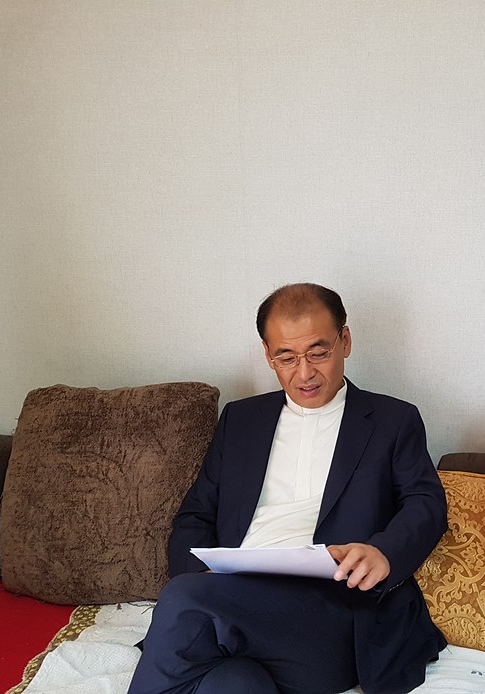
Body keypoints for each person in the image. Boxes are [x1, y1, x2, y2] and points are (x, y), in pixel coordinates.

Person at [129, 283, 448, 694]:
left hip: (333, 611)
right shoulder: (241, 420)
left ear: (345, 341)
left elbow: (426, 503)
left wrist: (383, 552)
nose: (304, 373)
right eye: (287, 357)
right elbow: (196, 515)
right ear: (268, 355)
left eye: (318, 353)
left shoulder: (393, 420)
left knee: (182, 599)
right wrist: (204, 582)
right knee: (234, 684)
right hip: (235, 603)